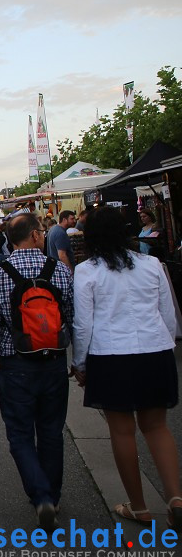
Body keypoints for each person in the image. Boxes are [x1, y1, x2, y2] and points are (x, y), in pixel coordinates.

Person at [71, 206, 181, 528]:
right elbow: (167, 311)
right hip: (154, 349)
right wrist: (168, 341)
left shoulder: (87, 270)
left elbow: (83, 324)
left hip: (111, 354)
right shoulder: (152, 264)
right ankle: (175, 497)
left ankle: (139, 506)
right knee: (157, 427)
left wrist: (80, 363)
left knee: (122, 431)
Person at [0, 213, 74, 530]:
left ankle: (41, 496)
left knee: (20, 434)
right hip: (53, 361)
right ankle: (54, 495)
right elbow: (71, 316)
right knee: (51, 430)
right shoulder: (59, 270)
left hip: (15, 362)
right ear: (35, 235)